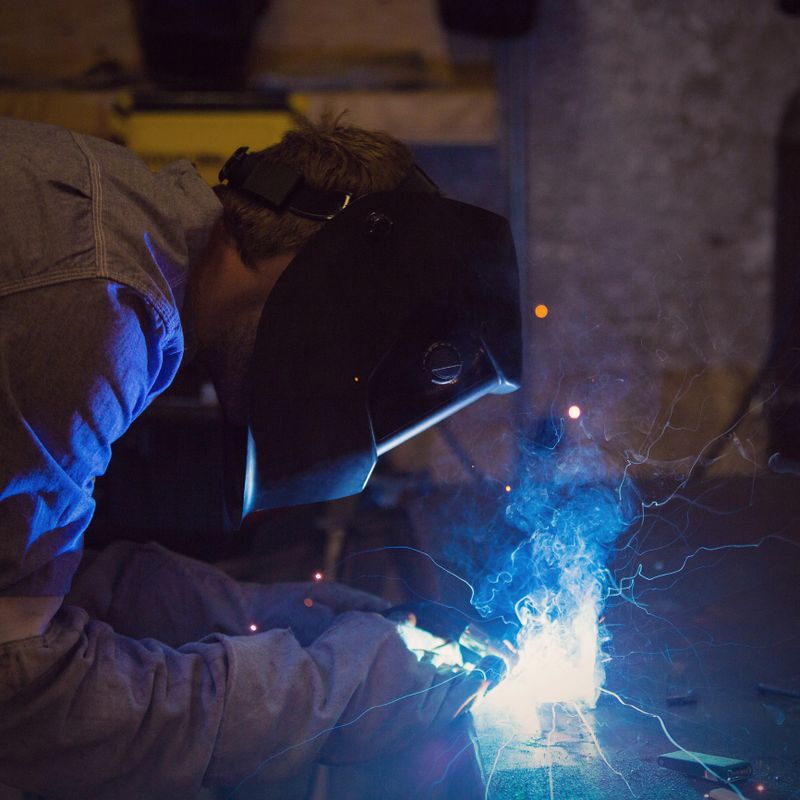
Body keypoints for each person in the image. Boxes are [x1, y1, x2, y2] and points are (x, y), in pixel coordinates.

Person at [0, 114, 516, 799]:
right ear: (323, 293)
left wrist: (274, 613)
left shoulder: (113, 219)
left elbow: (26, 590)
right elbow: (21, 695)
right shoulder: (100, 311)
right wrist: (334, 694)